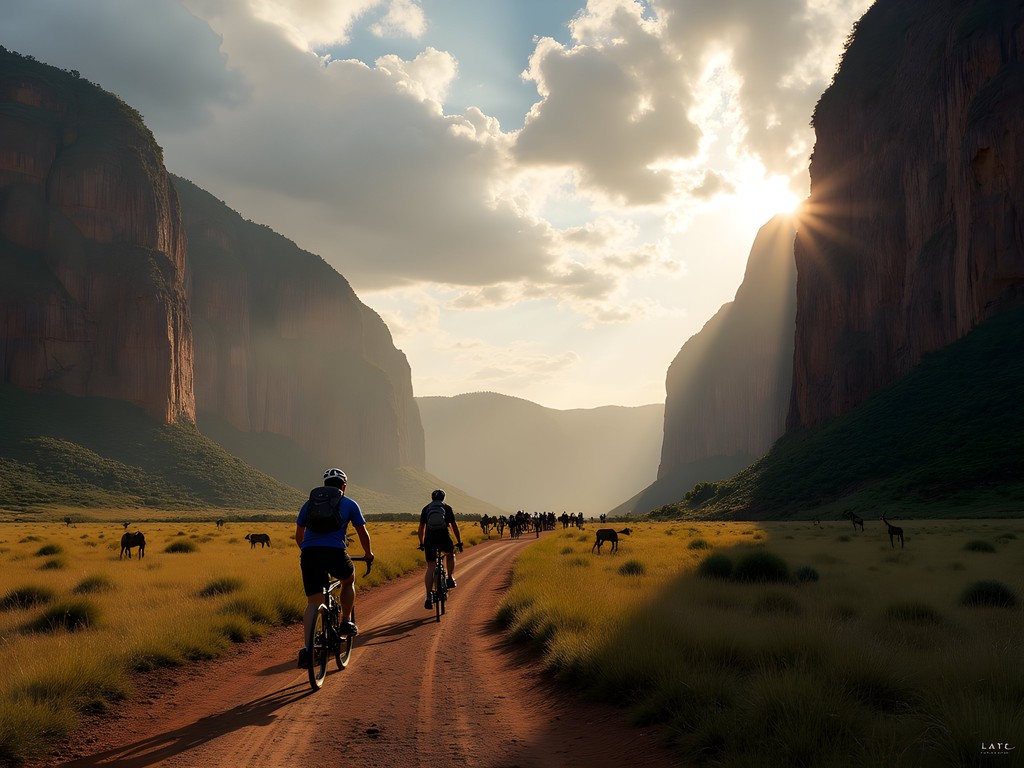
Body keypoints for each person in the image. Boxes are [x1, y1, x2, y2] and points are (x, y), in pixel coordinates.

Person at [295, 467, 374, 667]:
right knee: (348, 580)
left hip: (310, 553)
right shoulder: (349, 503)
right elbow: (362, 533)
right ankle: (346, 620)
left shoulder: (309, 504)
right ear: (343, 486)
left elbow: (299, 536)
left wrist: (310, 552)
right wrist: (368, 554)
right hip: (335, 553)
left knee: (313, 602)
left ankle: (308, 650)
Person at [418, 489, 462, 610]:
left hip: (430, 539)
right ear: (443, 498)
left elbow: (421, 527)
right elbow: (454, 526)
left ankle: (428, 595)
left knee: (431, 566)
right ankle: (450, 578)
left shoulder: (426, 508)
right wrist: (458, 542)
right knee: (450, 554)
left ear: (432, 498)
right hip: (444, 537)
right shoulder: (447, 508)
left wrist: (422, 543)